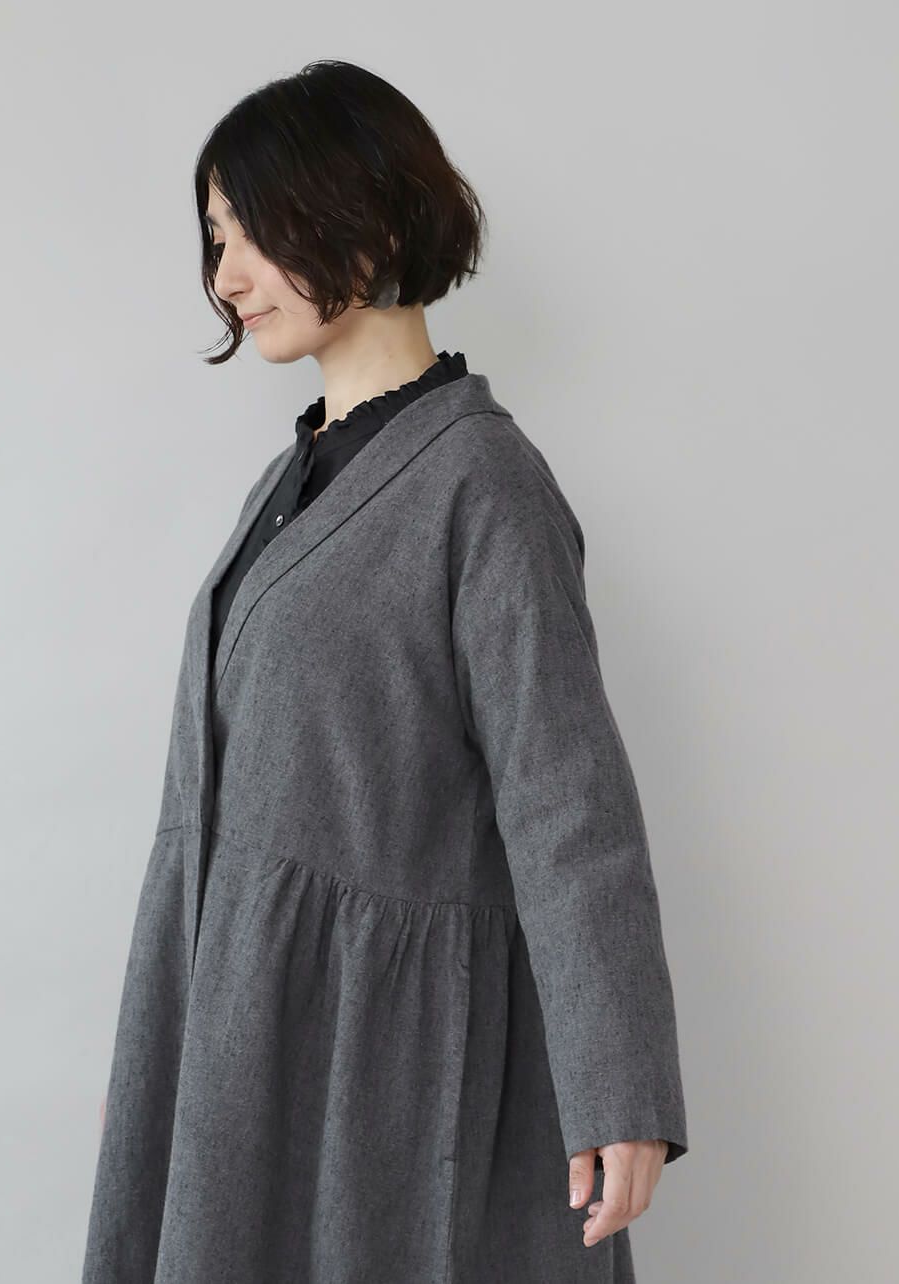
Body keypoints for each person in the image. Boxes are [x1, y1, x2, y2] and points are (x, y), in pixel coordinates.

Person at [81, 59, 688, 1284]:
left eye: (254, 230)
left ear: (362, 215)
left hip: (376, 1066)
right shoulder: (292, 478)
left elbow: (565, 802)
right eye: (216, 237)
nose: (225, 276)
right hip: (243, 1025)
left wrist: (618, 1083)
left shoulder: (483, 485)